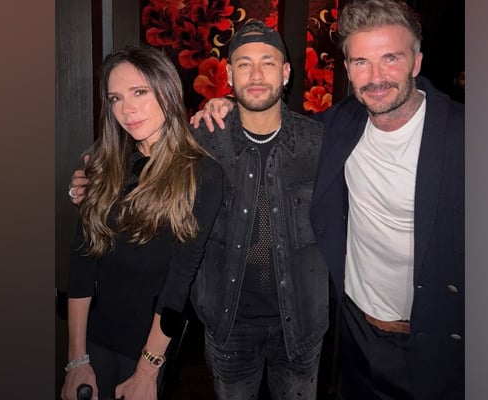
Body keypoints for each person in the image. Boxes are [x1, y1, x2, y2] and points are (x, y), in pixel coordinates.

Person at [191, 1, 464, 398]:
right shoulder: (338, 127)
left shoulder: (464, 135)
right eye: (360, 62)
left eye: (390, 58)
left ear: (416, 62)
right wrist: (230, 106)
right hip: (354, 334)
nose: (375, 77)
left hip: (436, 341)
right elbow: (273, 123)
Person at [70, 20, 329, 400]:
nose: (256, 75)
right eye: (243, 64)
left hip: (302, 325)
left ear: (287, 72)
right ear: (227, 74)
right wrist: (88, 173)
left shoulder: (319, 142)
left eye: (268, 63)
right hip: (228, 324)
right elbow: (137, 135)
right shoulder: (206, 136)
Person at [60, 45, 224, 400]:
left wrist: (148, 370)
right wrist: (75, 359)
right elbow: (82, 263)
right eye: (116, 97)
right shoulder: (104, 166)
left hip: (147, 347)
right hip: (91, 338)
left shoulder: (202, 174)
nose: (127, 109)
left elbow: (177, 283)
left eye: (139, 92)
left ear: (166, 91)